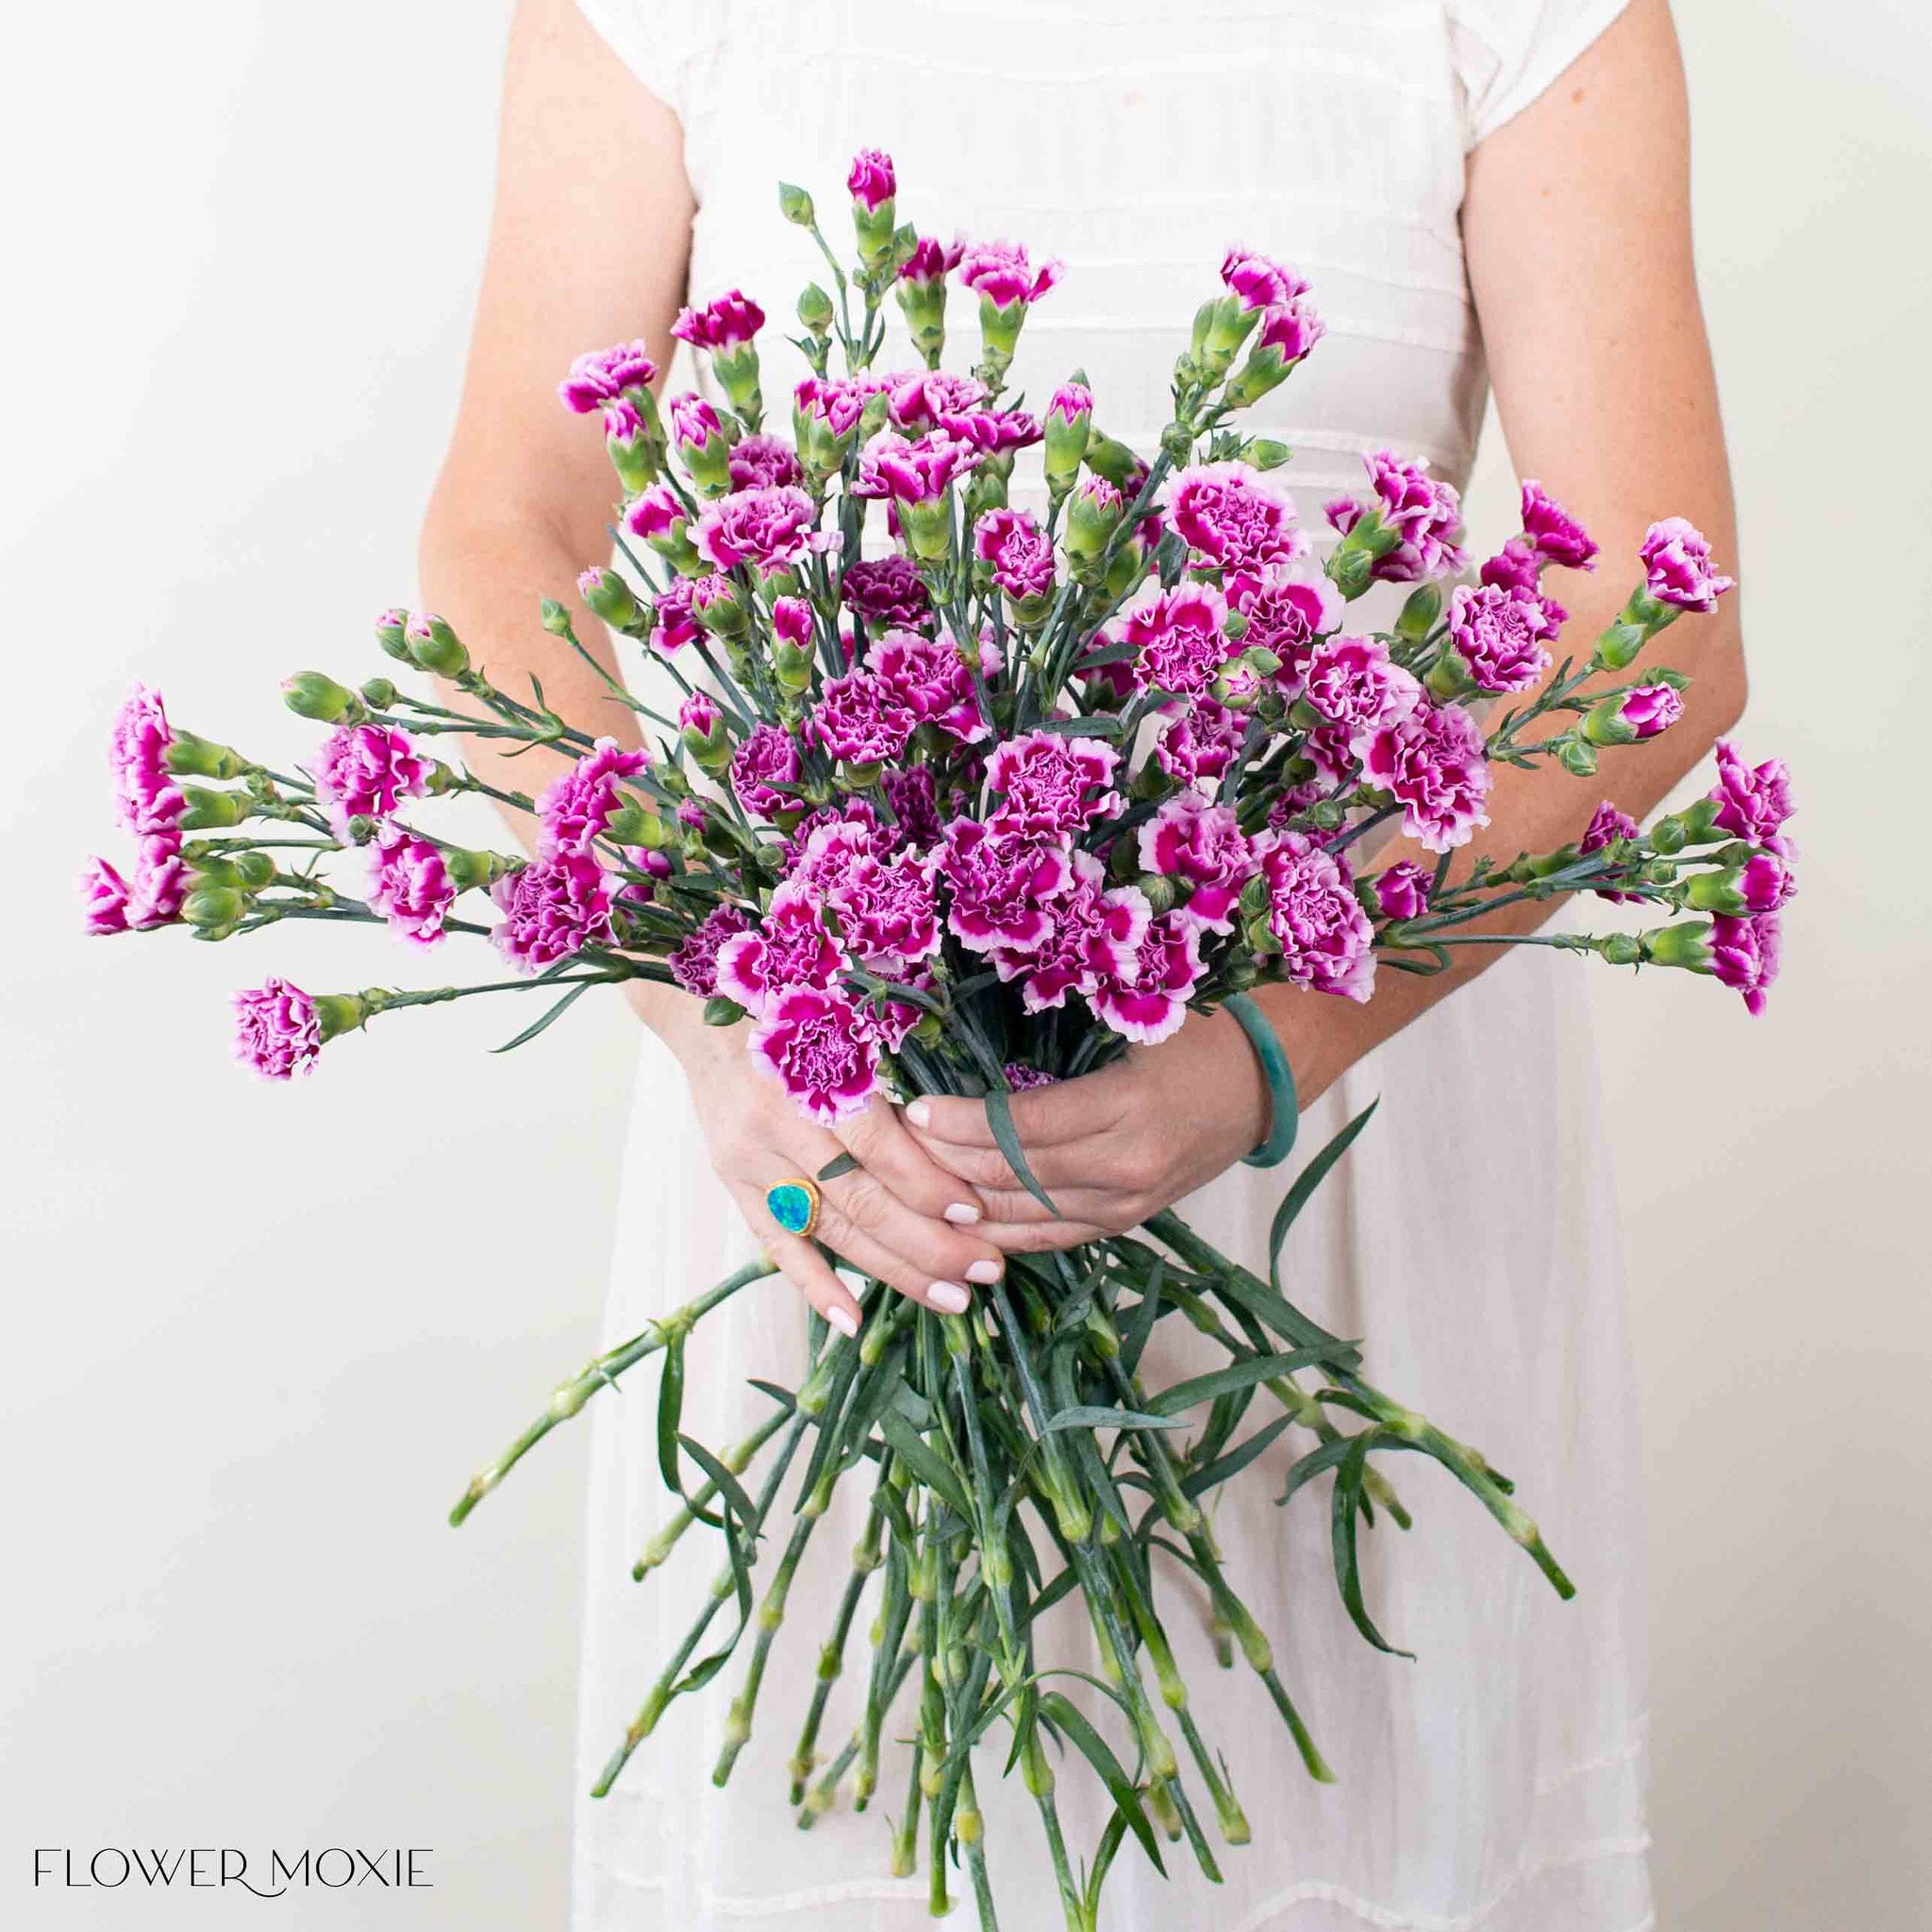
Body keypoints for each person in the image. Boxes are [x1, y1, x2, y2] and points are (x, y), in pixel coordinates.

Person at [419, 2, 1741, 1924]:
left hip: (1347, 1065)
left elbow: (1659, 612)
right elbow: (504, 532)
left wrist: (1268, 1049)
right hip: (843, 1129)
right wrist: (715, 1008)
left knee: (1346, 1828)